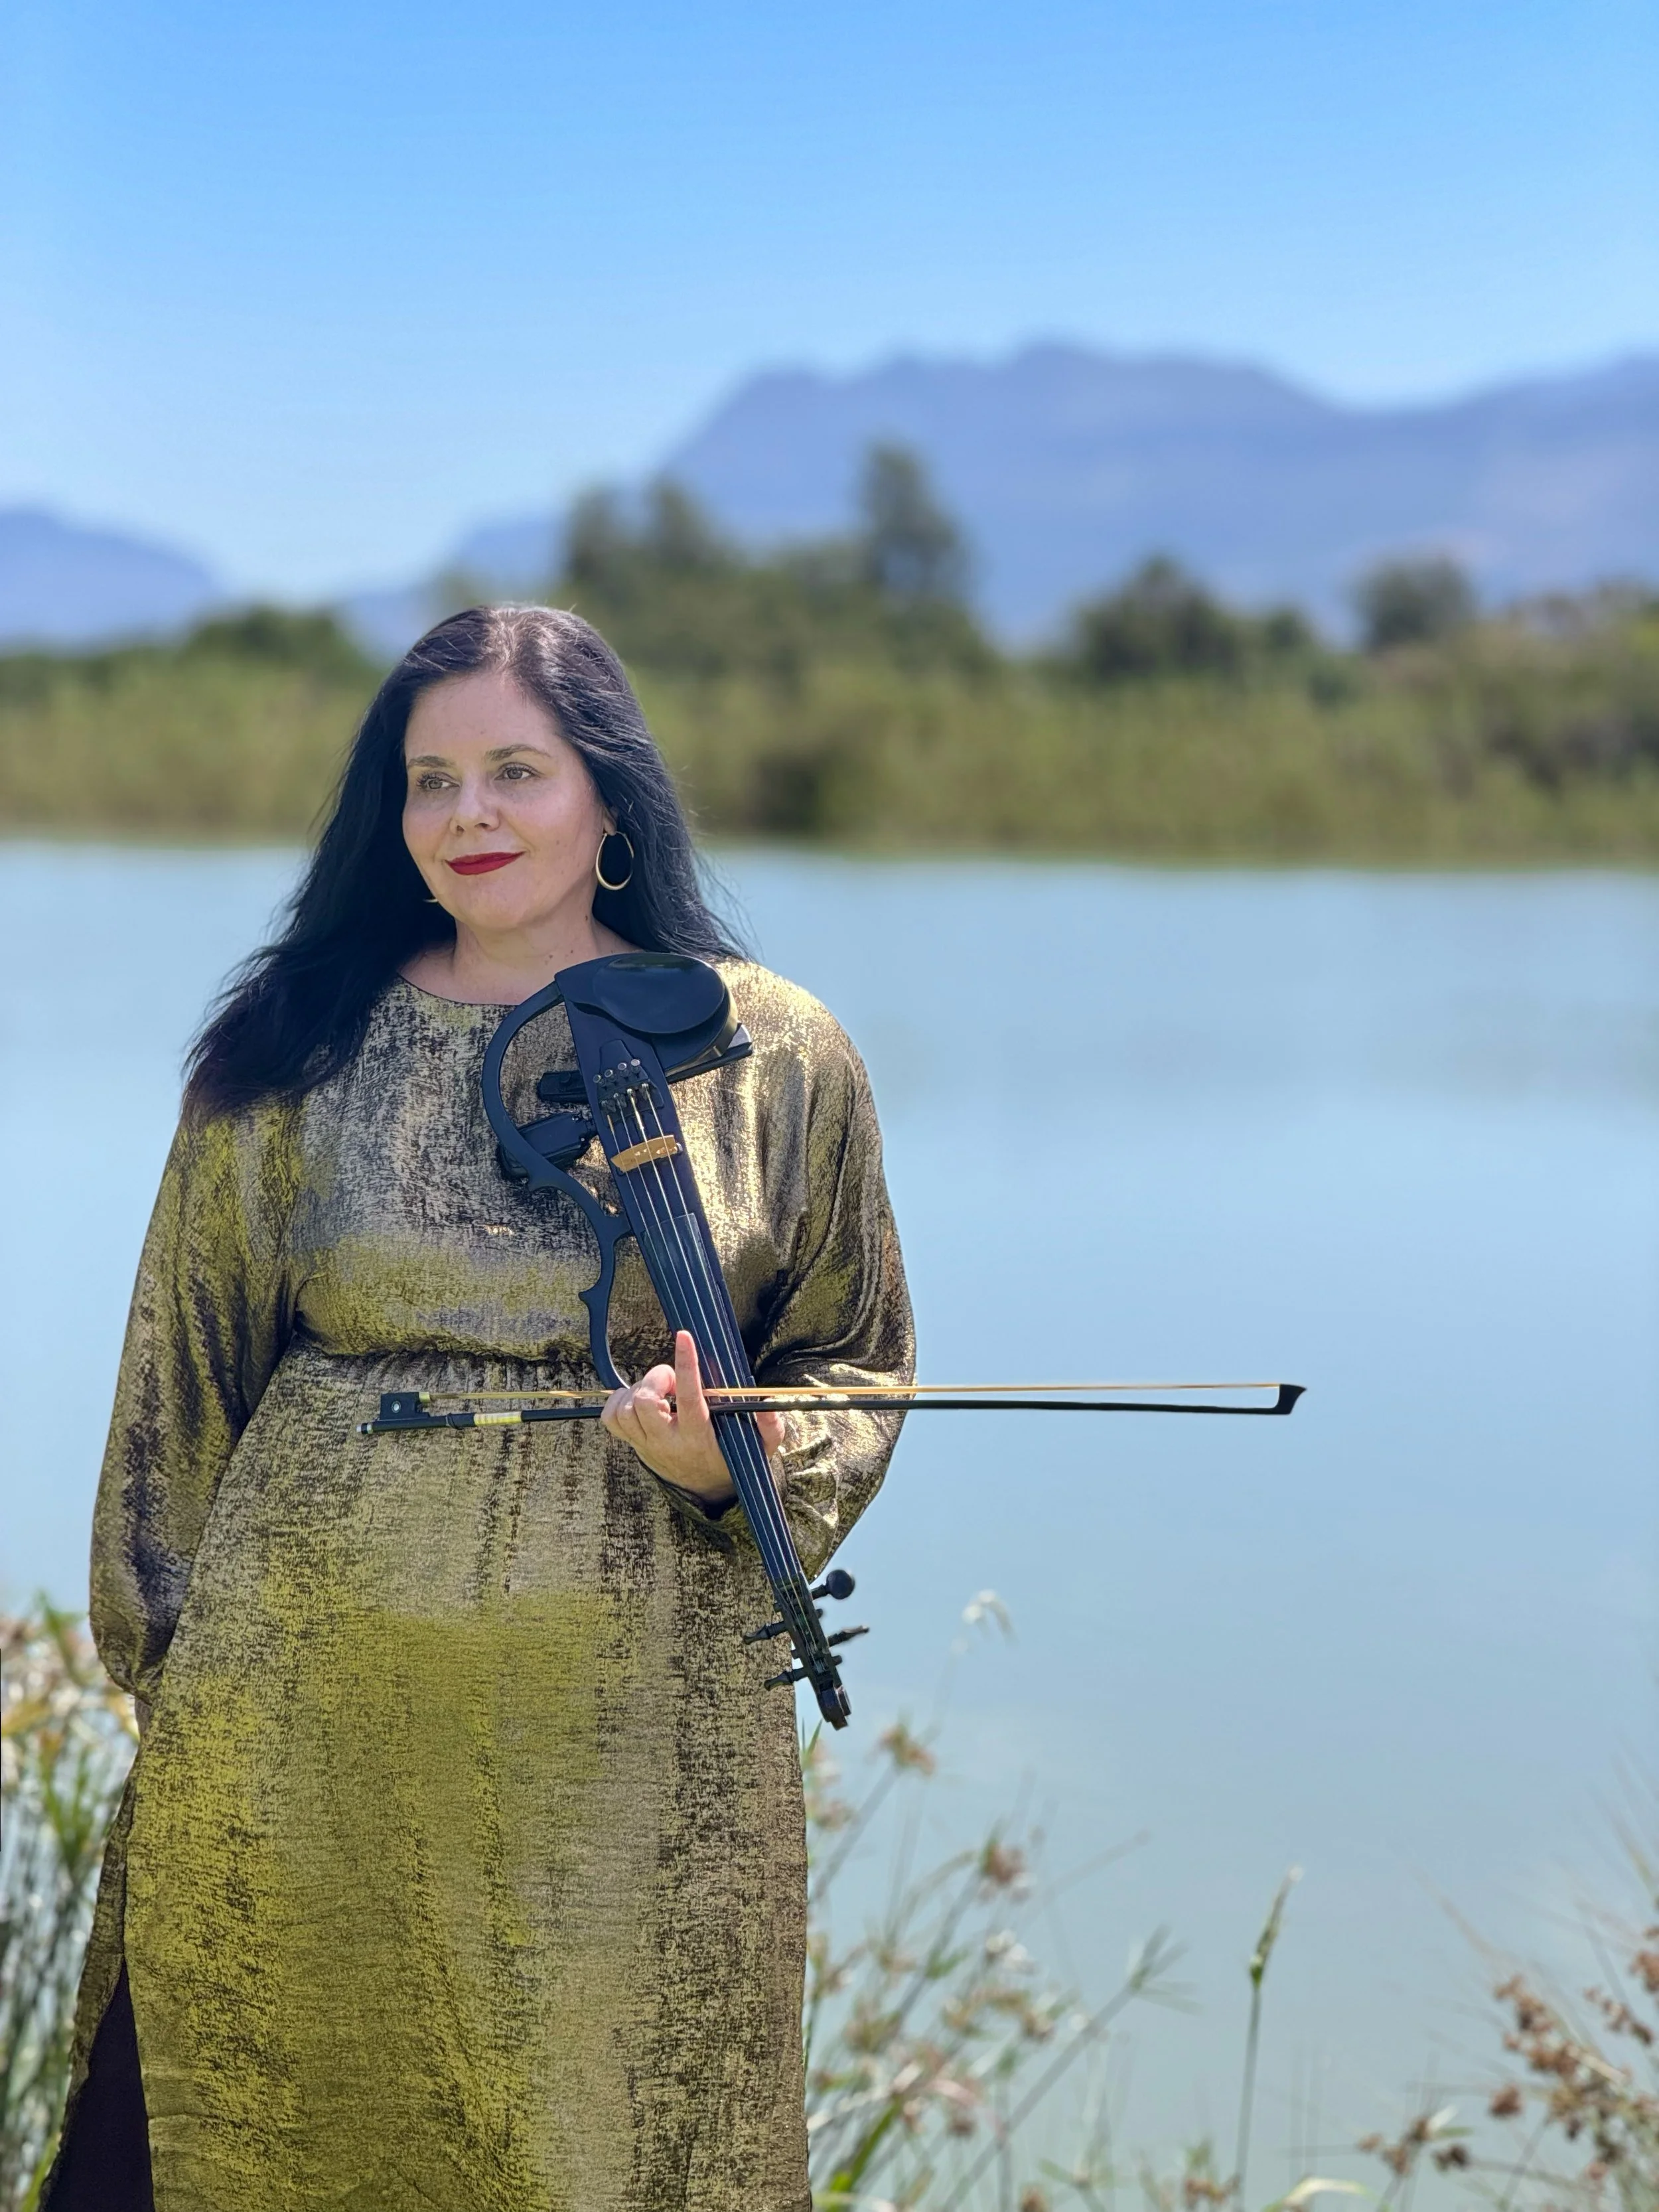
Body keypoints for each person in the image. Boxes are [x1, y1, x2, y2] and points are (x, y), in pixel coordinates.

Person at [47, 605, 914, 2212]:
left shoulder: (777, 1052)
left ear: (606, 797)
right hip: (298, 1733)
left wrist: (739, 1455)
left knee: (602, 2141)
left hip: (638, 1743)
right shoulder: (290, 1044)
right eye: (429, 780)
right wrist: (172, 1681)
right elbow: (179, 1381)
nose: (470, 818)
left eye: (516, 771)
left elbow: (854, 1355)